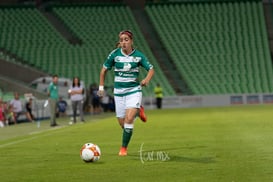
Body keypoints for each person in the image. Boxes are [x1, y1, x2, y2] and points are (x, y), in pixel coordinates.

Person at [97, 30, 154, 156]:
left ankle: (123, 149)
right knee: (123, 124)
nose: (123, 42)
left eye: (126, 40)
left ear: (131, 41)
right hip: (118, 93)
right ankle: (139, 111)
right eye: (121, 40)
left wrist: (146, 80)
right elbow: (103, 71)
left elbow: (151, 69)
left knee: (129, 120)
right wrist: (101, 87)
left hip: (134, 91)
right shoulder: (114, 55)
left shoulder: (138, 56)